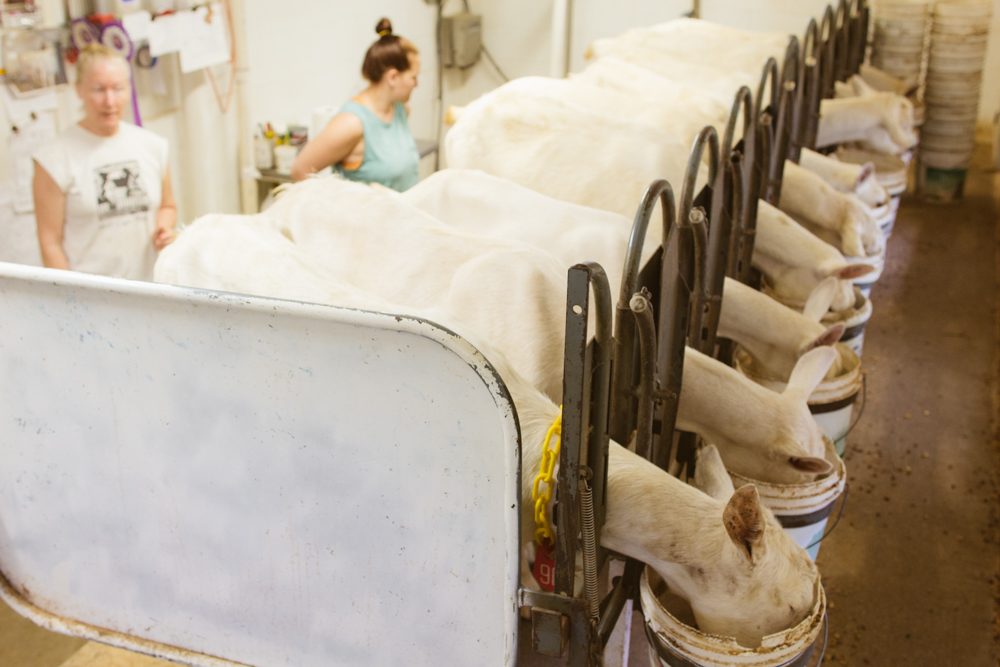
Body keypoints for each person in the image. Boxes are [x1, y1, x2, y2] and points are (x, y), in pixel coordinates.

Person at [33, 44, 175, 281]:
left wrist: (164, 228)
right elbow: (50, 243)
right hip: (91, 294)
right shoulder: (53, 159)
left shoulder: (153, 146)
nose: (109, 101)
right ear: (78, 89)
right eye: (98, 89)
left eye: (118, 88)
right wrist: (72, 297)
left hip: (150, 288)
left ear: (129, 89)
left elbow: (168, 206)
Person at [291, 18, 421, 192]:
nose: (416, 84)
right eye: (413, 77)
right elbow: (300, 170)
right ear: (393, 77)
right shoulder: (351, 123)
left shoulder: (401, 110)